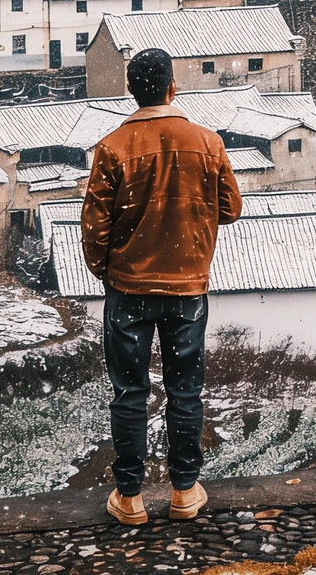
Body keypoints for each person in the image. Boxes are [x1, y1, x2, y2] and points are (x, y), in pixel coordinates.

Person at [81, 46, 243, 526]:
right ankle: (184, 491)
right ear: (173, 86)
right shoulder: (206, 142)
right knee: (184, 391)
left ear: (131, 90)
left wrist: (108, 271)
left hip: (128, 290)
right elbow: (231, 208)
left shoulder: (113, 147)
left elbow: (95, 228)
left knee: (130, 393)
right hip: (187, 288)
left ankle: (129, 497)